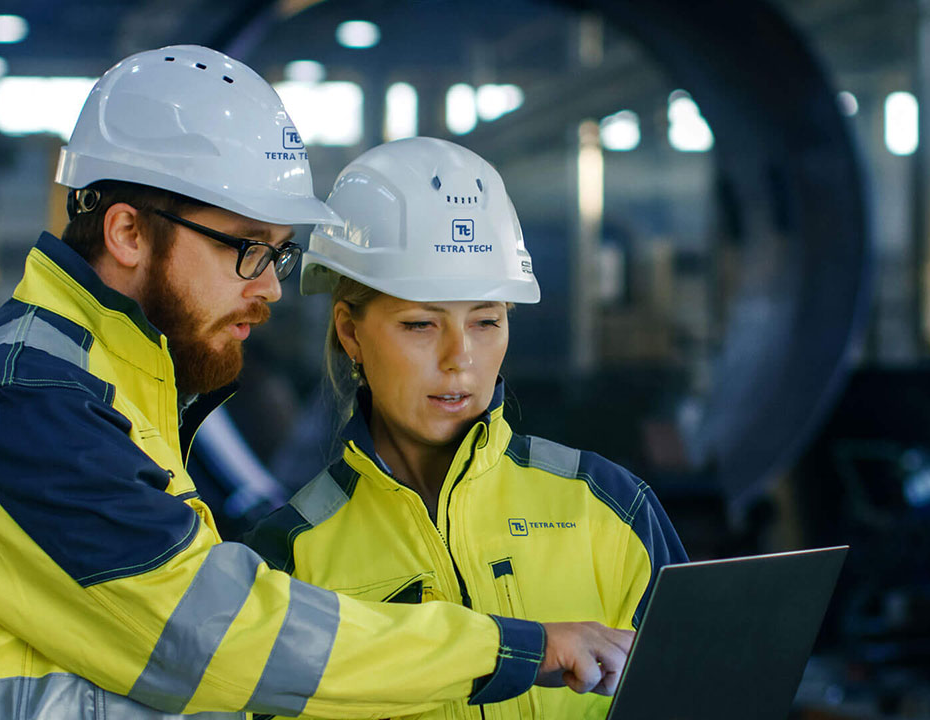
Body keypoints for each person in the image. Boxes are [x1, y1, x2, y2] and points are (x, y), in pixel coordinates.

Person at [0, 46, 643, 720]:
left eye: (277, 253)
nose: (270, 288)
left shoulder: (116, 394)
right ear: (128, 232)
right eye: (246, 248)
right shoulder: (25, 402)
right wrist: (516, 649)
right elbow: (214, 639)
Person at [245, 137, 688, 719]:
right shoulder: (294, 558)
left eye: (485, 321)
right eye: (420, 325)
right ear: (351, 333)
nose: (461, 358)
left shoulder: (611, 509)